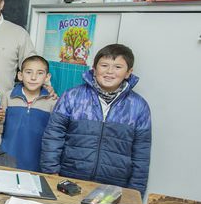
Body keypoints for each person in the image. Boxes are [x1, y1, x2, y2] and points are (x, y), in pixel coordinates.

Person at [41, 44, 151, 196]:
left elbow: (142, 153)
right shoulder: (72, 97)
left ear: (128, 73)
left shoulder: (139, 106)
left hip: (114, 188)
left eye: (118, 67)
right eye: (104, 65)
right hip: (70, 180)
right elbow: (53, 136)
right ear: (94, 68)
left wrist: (135, 193)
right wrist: (51, 173)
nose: (109, 71)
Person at [0, 56, 57, 172]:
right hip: (6, 159)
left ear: (47, 77)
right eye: (28, 72)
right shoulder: (8, 96)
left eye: (40, 73)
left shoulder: (52, 102)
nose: (33, 77)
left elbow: (54, 136)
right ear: (20, 75)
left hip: (36, 163)